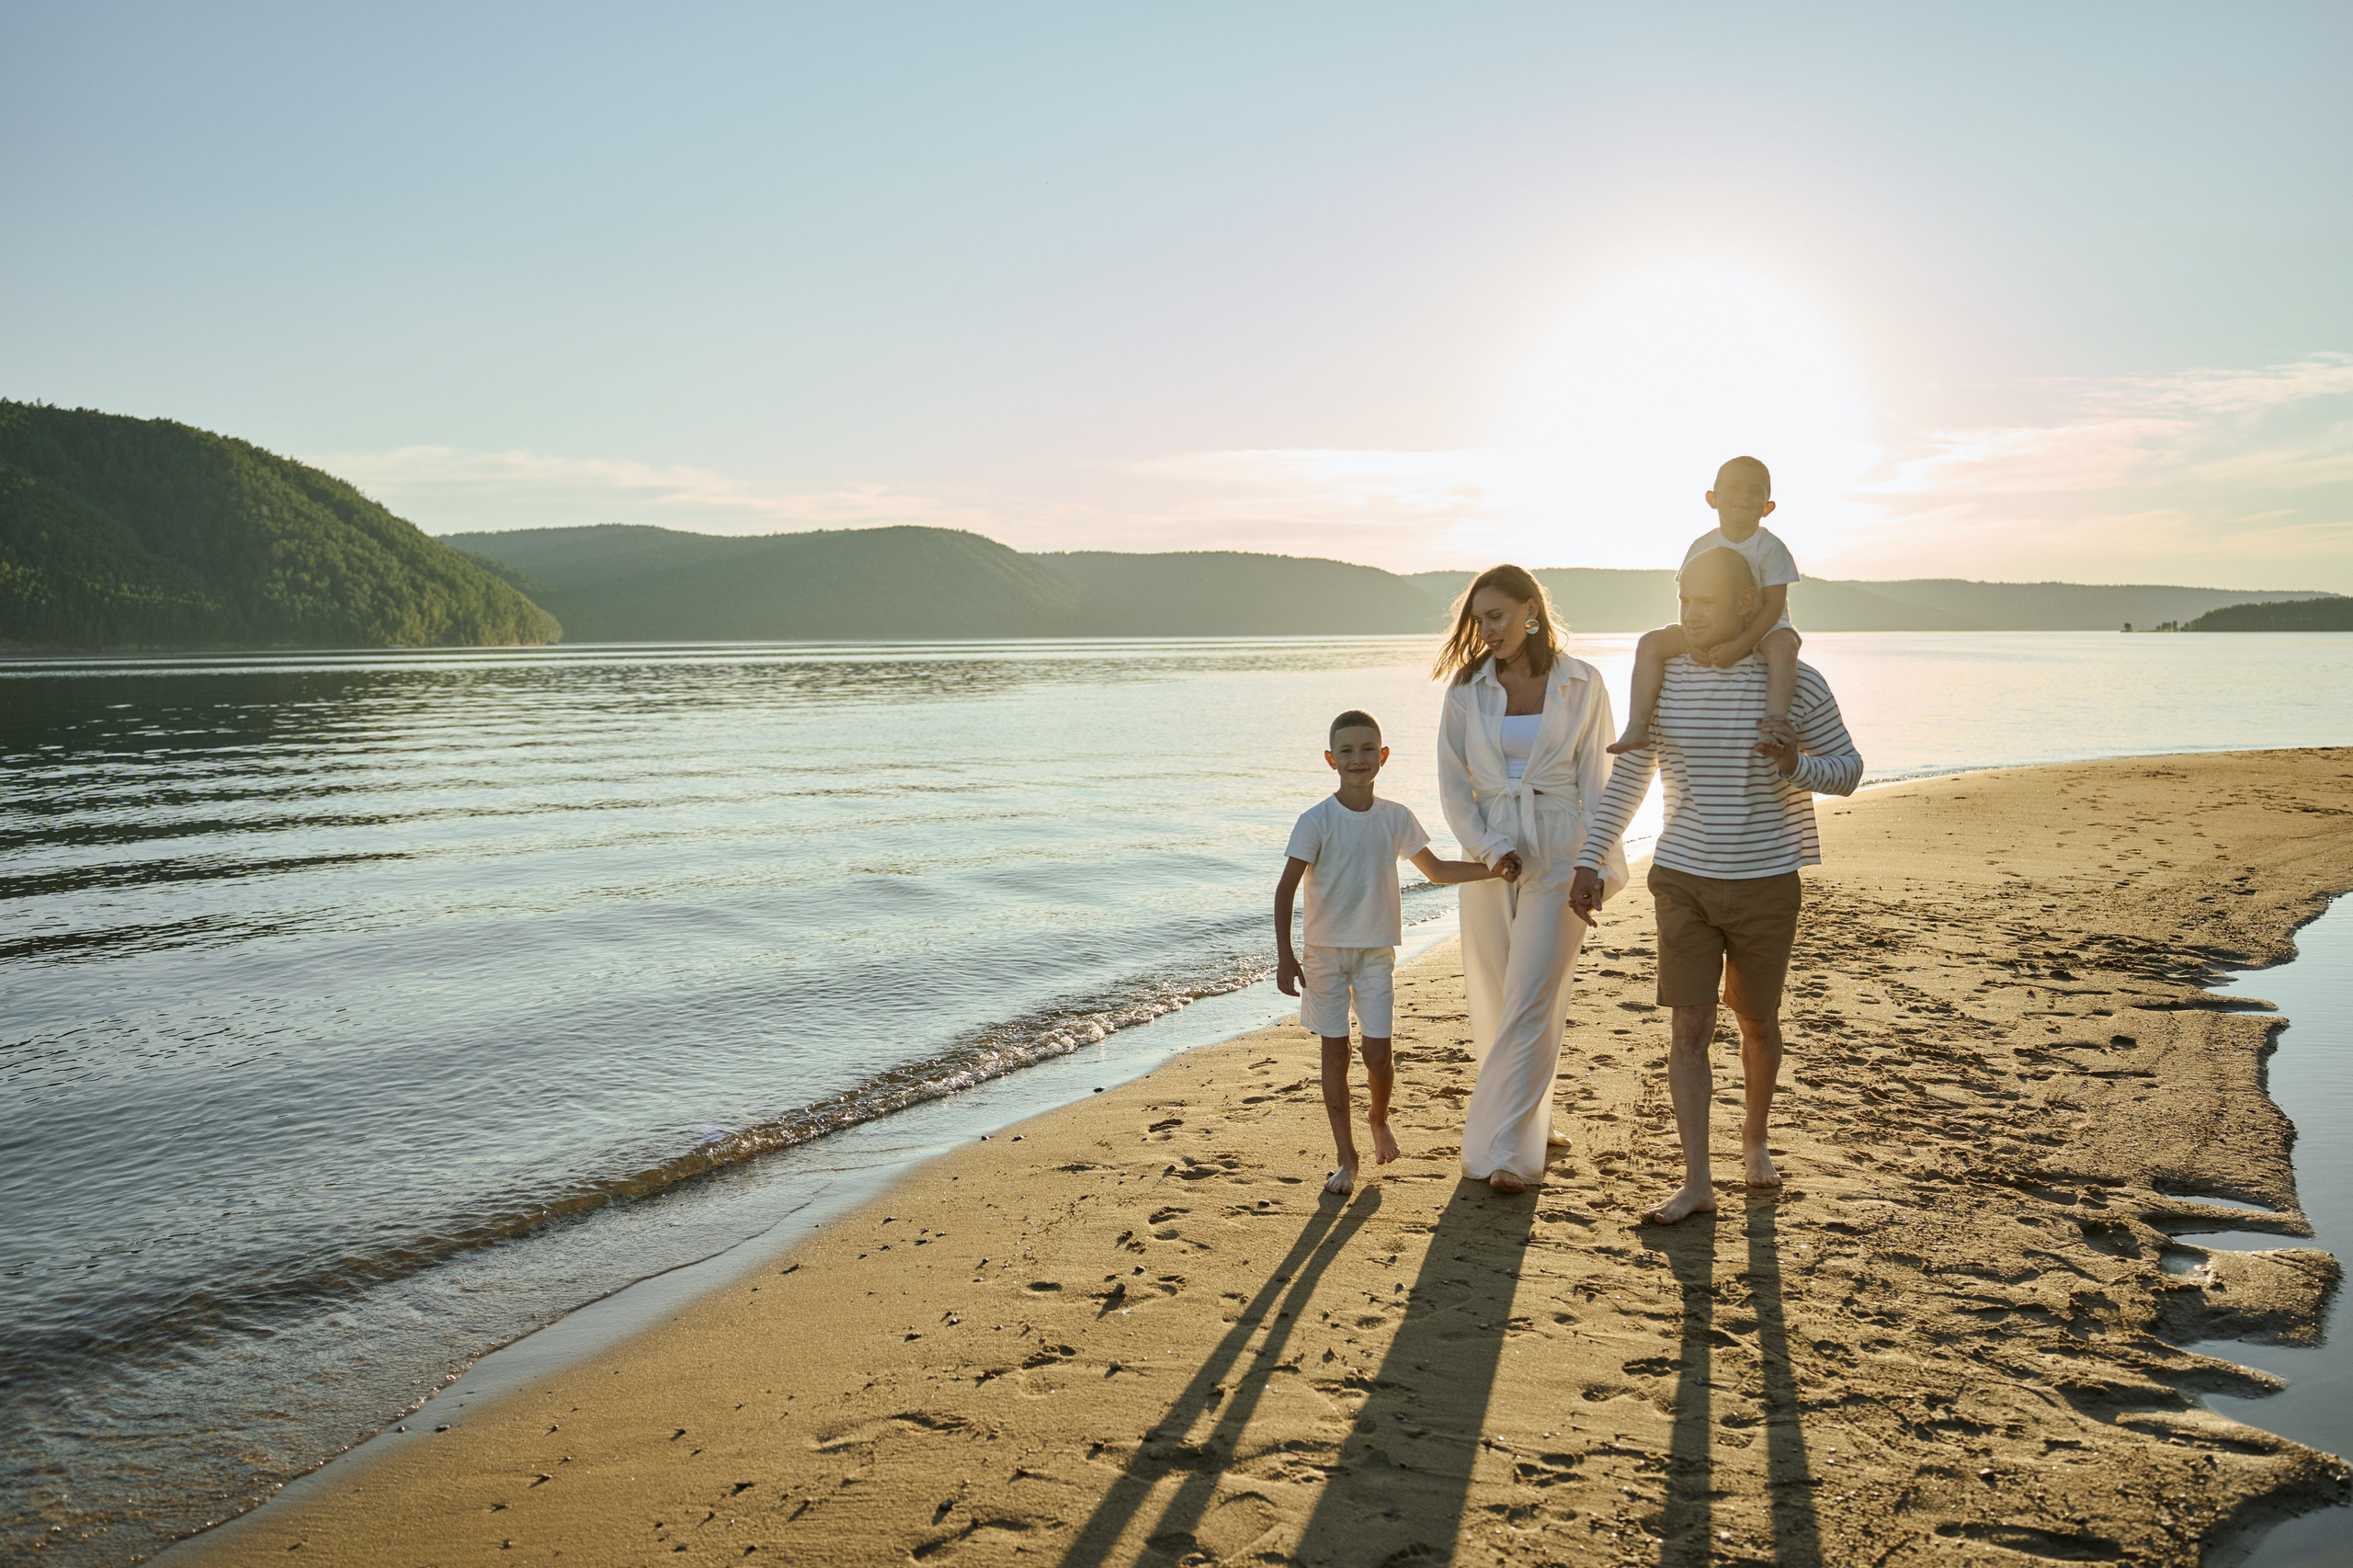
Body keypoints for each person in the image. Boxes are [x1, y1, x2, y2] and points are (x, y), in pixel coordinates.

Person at [1572, 547, 1863, 1224]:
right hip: (1682, 878)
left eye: (1703, 603)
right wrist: (1590, 858)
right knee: (1690, 1027)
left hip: (1766, 880)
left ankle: (1754, 1139)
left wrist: (1795, 764)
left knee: (1757, 1022)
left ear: (1744, 603)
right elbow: (1631, 776)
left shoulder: (1796, 682)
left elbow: (1847, 770)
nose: (1689, 616)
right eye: (1681, 602)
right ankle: (1697, 1179)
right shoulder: (1665, 677)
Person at [1434, 565, 1630, 1194]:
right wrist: (1490, 848)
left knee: (1531, 997)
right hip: (1491, 853)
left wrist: (1593, 861)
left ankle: (1505, 1155)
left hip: (1561, 845)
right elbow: (1453, 785)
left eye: (1496, 616)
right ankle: (1531, 1121)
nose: (1485, 630)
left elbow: (1600, 781)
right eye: (1478, 619)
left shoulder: (1582, 682)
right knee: (1498, 995)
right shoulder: (1467, 688)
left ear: (1530, 611)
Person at [1276, 710, 1495, 1196]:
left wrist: (1495, 871)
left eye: (1368, 749)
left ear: (1384, 756)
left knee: (1378, 1054)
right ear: (1332, 759)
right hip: (1324, 955)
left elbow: (1436, 871)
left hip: (1376, 952)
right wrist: (1285, 955)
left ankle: (1378, 1119)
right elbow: (1286, 889)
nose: (1359, 758)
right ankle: (1347, 1159)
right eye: (1348, 751)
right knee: (1335, 1052)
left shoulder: (1396, 817)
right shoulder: (1316, 820)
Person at [1610, 455, 1802, 756]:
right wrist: (1691, 638)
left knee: (1785, 647)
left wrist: (1740, 645)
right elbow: (1686, 597)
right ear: (1712, 499)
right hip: (1711, 626)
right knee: (1651, 643)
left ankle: (1776, 722)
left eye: (1755, 491)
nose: (1743, 496)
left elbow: (1774, 606)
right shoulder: (1701, 546)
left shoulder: (1770, 548)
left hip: (1764, 629)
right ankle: (1637, 725)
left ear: (1768, 507)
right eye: (1734, 488)